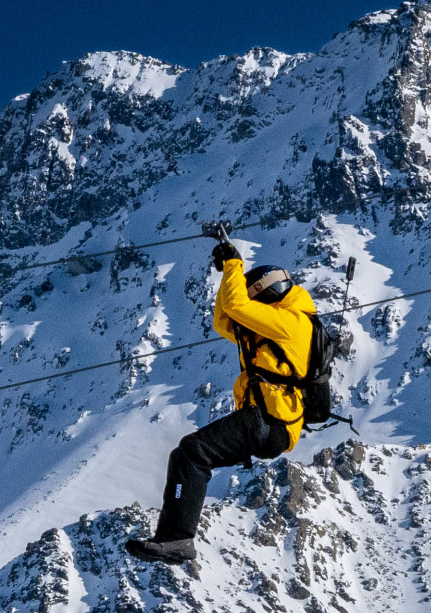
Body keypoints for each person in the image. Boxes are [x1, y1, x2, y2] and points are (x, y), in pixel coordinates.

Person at [128, 240, 319, 564]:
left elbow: (237, 307)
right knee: (188, 454)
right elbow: (225, 320)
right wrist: (226, 273)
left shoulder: (293, 322)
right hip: (268, 421)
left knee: (193, 451)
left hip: (270, 419)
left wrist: (233, 265)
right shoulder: (274, 329)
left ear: (267, 293)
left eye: (255, 296)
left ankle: (177, 540)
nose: (253, 305)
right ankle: (174, 539)